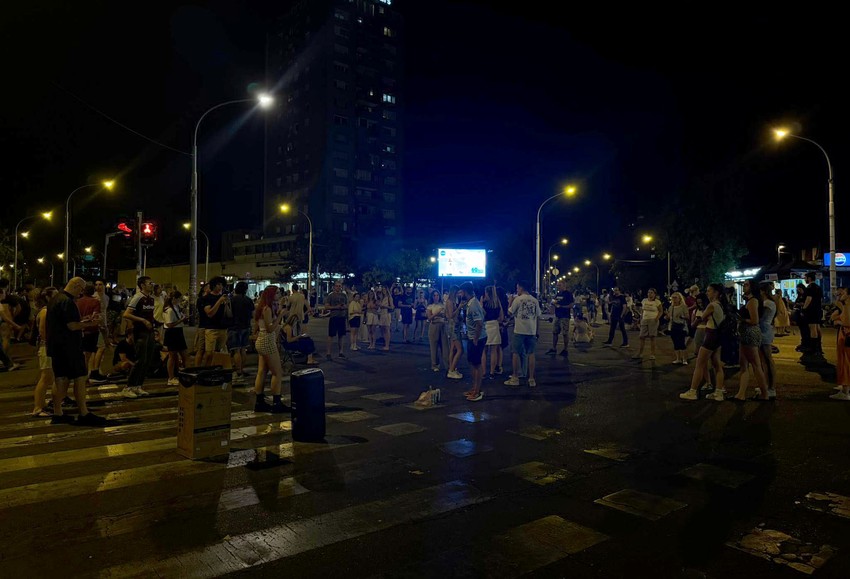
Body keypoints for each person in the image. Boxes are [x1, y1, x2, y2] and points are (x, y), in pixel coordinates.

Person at [46, 277, 106, 426]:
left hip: (57, 347)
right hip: (69, 347)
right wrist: (92, 323)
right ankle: (84, 413)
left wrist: (83, 321)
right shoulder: (67, 302)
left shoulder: (55, 299)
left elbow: (64, 322)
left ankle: (58, 412)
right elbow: (72, 326)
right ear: (77, 286)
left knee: (60, 379)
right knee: (80, 378)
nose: (81, 293)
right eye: (81, 289)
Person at [679, 284, 728, 401]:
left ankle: (693, 391)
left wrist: (695, 321)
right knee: (717, 365)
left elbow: (702, 318)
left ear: (716, 293)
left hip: (710, 335)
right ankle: (719, 392)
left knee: (700, 364)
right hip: (718, 336)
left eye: (709, 291)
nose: (707, 293)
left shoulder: (712, 305)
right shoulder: (721, 305)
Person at [731, 279, 770, 401]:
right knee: (744, 364)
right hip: (746, 333)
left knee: (755, 364)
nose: (744, 286)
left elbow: (754, 320)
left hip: (750, 333)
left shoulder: (753, 301)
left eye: (747, 285)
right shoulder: (751, 301)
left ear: (752, 287)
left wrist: (741, 319)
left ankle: (764, 394)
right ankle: (741, 394)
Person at [252, 286, 288, 413]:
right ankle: (276, 403)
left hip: (262, 341)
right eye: (277, 293)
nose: (279, 294)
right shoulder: (266, 309)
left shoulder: (264, 307)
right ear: (271, 295)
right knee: (277, 373)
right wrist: (281, 316)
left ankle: (259, 401)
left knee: (262, 372)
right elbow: (270, 328)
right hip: (267, 341)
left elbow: (258, 327)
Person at [122, 276, 158, 398]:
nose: (152, 285)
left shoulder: (151, 299)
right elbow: (126, 314)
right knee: (140, 360)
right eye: (149, 283)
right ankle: (129, 386)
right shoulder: (138, 298)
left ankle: (138, 386)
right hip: (140, 332)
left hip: (150, 331)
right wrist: (142, 321)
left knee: (147, 360)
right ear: (142, 285)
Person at [504, 280, 540, 388]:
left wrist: (510, 301)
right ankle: (531, 378)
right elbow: (537, 317)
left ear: (521, 288)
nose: (516, 290)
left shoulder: (517, 300)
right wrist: (537, 331)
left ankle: (515, 377)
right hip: (531, 331)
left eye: (517, 287)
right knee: (531, 354)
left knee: (515, 353)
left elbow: (509, 312)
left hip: (519, 330)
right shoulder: (535, 300)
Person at [31, 287, 58, 417]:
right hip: (46, 348)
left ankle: (42, 404)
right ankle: (38, 407)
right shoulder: (46, 312)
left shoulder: (46, 311)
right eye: (55, 295)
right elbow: (43, 332)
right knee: (45, 378)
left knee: (48, 377)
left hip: (47, 347)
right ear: (48, 297)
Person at [461, 283, 486, 401]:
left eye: (462, 292)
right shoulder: (471, 303)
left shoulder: (473, 305)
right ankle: (474, 388)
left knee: (476, 364)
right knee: (472, 363)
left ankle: (477, 391)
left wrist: (475, 338)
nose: (461, 294)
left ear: (466, 292)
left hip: (477, 338)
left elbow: (479, 323)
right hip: (472, 337)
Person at [199, 277, 229, 366]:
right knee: (209, 353)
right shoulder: (207, 298)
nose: (220, 287)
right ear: (213, 285)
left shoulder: (224, 297)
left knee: (220, 353)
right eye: (218, 285)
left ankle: (216, 370)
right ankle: (207, 370)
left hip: (223, 328)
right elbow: (210, 313)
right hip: (211, 328)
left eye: (222, 285)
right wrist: (219, 301)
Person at [227, 281, 254, 381]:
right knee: (243, 349)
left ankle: (238, 371)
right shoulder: (248, 300)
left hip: (234, 327)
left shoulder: (232, 300)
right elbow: (253, 313)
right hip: (246, 326)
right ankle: (242, 369)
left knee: (236, 350)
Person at [76, 283, 101, 381]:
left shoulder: (77, 301)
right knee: (87, 356)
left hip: (78, 330)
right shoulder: (95, 302)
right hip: (91, 330)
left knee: (80, 354)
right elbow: (95, 316)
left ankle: (80, 375)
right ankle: (84, 376)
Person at [163, 291, 188, 386]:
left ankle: (182, 374)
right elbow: (169, 325)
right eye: (179, 299)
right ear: (174, 299)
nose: (180, 301)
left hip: (178, 331)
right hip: (172, 333)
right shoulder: (169, 310)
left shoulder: (176, 307)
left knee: (184, 354)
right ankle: (171, 377)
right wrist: (181, 320)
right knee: (172, 356)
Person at [757, 282, 778, 400]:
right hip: (764, 330)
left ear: (763, 291)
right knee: (764, 360)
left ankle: (771, 388)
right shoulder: (770, 302)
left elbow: (760, 317)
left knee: (767, 359)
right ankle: (766, 385)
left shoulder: (768, 303)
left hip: (765, 331)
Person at [829, 286, 850, 400]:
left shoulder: (847, 305)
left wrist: (838, 322)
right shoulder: (845, 305)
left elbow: (847, 321)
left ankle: (845, 391)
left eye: (843, 293)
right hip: (845, 335)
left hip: (846, 336)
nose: (841, 295)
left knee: (845, 363)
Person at [89, 279, 111, 383]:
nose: (98, 286)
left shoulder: (106, 297)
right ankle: (94, 371)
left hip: (104, 323)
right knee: (100, 348)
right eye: (96, 284)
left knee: (99, 348)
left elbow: (104, 312)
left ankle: (94, 369)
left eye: (100, 284)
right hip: (98, 325)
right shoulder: (94, 297)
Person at [800, 272, 824, 361]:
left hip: (811, 311)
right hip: (818, 310)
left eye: (805, 277)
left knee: (812, 328)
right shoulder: (818, 287)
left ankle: (814, 348)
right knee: (817, 327)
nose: (805, 279)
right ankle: (819, 347)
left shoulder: (810, 288)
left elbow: (808, 299)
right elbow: (820, 300)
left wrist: (804, 309)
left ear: (809, 278)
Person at [482, 285, 504, 380]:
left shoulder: (484, 302)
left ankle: (483, 372)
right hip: (495, 325)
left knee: (484, 351)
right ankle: (492, 372)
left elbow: (481, 314)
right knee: (494, 351)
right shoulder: (497, 303)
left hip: (486, 325)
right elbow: (501, 316)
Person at [0, 281, 23, 371]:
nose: (5, 295)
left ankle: (8, 363)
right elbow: (5, 318)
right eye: (4, 293)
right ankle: (8, 364)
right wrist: (16, 325)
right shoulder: (0, 305)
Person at [547, 280, 574, 357]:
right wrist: (552, 304)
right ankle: (554, 348)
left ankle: (565, 349)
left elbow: (571, 305)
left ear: (564, 286)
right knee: (555, 332)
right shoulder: (558, 294)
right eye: (557, 285)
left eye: (559, 285)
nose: (558, 287)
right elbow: (553, 302)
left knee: (565, 333)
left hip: (564, 316)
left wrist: (561, 306)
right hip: (557, 316)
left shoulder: (568, 294)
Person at [634, 288, 662, 361]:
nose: (650, 294)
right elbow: (642, 311)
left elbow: (661, 311)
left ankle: (652, 354)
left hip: (653, 320)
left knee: (652, 337)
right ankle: (640, 353)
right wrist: (640, 319)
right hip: (644, 319)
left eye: (652, 293)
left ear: (654, 294)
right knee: (642, 337)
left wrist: (656, 318)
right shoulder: (644, 300)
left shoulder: (657, 302)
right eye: (649, 292)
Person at [426, 288, 449, 372]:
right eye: (434, 295)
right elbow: (429, 318)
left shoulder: (443, 305)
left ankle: (448, 365)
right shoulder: (430, 306)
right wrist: (437, 313)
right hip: (434, 327)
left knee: (445, 346)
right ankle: (434, 364)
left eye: (437, 295)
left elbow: (446, 316)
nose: (436, 297)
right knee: (434, 346)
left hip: (442, 326)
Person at [325, 280, 349, 359]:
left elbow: (347, 306)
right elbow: (327, 306)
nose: (338, 287)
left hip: (342, 317)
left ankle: (341, 352)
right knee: (331, 335)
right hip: (334, 317)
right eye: (337, 286)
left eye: (340, 286)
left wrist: (343, 307)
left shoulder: (344, 295)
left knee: (341, 335)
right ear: (334, 287)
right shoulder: (330, 295)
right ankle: (328, 353)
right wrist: (336, 307)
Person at [444, 285, 464, 380]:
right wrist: (459, 307)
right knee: (460, 349)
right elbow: (451, 315)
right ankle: (451, 370)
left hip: (453, 326)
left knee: (453, 348)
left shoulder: (451, 301)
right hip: (453, 327)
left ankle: (452, 367)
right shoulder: (450, 302)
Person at [666, 292, 689, 365]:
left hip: (681, 326)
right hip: (673, 326)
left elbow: (687, 317)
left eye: (675, 298)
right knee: (675, 343)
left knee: (682, 343)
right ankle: (678, 358)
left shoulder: (683, 307)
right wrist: (666, 316)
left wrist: (682, 317)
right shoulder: (671, 307)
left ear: (680, 299)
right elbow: (669, 317)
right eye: (673, 298)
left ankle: (684, 359)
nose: (674, 299)